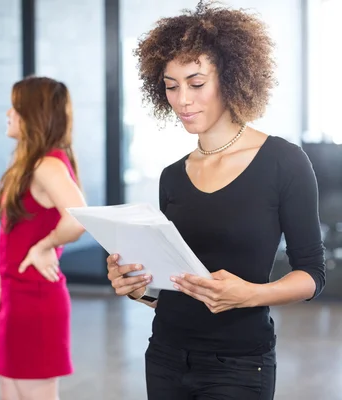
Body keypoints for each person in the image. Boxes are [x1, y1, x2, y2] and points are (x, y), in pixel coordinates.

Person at [106, 2, 326, 399]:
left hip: (240, 365)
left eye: (195, 82)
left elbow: (312, 274)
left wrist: (252, 294)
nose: (182, 100)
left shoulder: (283, 161)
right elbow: (175, 288)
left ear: (230, 76)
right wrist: (140, 287)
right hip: (166, 357)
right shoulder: (172, 176)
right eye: (171, 86)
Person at [0, 76, 87, 400]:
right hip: (16, 295)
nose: (8, 113)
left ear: (33, 115)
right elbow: (17, 232)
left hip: (36, 301)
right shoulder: (29, 163)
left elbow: (79, 216)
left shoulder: (46, 165)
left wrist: (46, 246)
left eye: (15, 107)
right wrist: (1, 276)